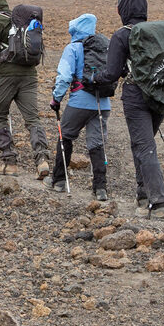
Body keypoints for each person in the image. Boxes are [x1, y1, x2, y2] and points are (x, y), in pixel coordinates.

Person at [92, 0, 164, 219]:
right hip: (161, 93)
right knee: (142, 143)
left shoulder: (122, 35)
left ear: (124, 10)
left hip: (137, 95)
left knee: (144, 145)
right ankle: (143, 196)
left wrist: (95, 78)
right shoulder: (158, 31)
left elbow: (112, 73)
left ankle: (158, 202)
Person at [0, 0, 51, 178]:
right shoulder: (21, 21)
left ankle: (10, 162)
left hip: (7, 75)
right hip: (29, 74)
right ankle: (42, 160)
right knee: (32, 118)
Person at [48, 13, 112, 200]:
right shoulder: (104, 47)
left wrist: (56, 99)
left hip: (79, 102)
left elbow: (64, 77)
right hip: (103, 103)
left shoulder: (73, 48)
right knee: (97, 143)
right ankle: (100, 188)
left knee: (65, 136)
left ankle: (59, 181)